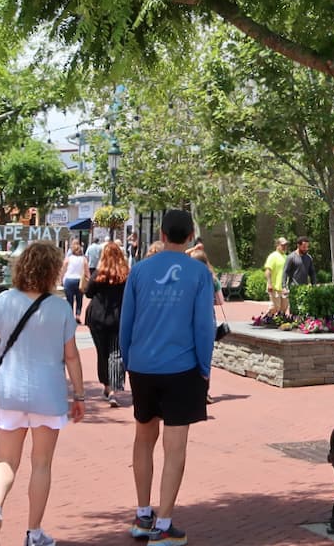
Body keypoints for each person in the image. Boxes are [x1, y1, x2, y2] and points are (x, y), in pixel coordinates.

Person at [0, 240, 85, 546]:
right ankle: (34, 532)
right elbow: (72, 356)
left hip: (10, 389)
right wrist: (80, 396)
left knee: (6, 460)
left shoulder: (2, 302)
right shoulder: (59, 308)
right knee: (41, 463)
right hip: (49, 392)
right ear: (53, 270)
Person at [119, 208, 215, 545]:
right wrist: (205, 368)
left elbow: (125, 323)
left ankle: (143, 514)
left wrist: (131, 362)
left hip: (143, 366)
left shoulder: (140, 271)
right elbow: (204, 327)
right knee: (175, 448)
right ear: (190, 236)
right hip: (182, 367)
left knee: (144, 439)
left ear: (161, 234)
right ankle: (164, 523)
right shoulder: (199, 273)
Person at [84, 240, 128, 406]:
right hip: (118, 318)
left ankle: (108, 387)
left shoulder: (98, 274)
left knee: (102, 353)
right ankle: (115, 390)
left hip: (98, 318)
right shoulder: (125, 275)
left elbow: (88, 293)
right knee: (116, 352)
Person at [263, 237, 289, 314]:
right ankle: (266, 319)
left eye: (286, 245)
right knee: (275, 307)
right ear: (277, 245)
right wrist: (269, 284)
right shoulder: (273, 256)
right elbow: (268, 271)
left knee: (284, 307)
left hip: (284, 288)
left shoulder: (286, 257)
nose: (284, 247)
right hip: (274, 287)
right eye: (282, 245)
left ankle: (279, 321)